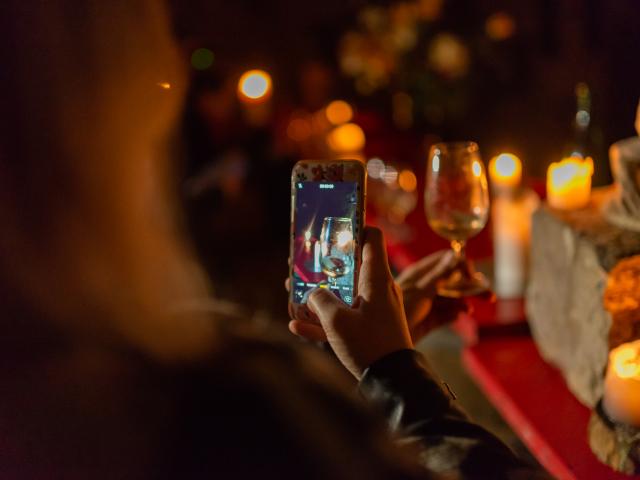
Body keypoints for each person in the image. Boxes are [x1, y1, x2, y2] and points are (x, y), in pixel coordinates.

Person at [0, 0, 549, 478]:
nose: (177, 72)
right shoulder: (214, 416)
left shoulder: (42, 395)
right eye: (166, 36)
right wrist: (397, 376)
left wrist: (357, 359)